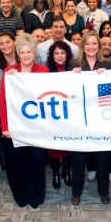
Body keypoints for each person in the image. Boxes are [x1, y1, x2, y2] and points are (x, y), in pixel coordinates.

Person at [0, 34, 49, 208]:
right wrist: (5, 127)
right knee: (17, 163)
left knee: (36, 162)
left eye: (29, 52)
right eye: (22, 52)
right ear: (18, 54)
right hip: (15, 127)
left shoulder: (43, 71)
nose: (26, 55)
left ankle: (36, 195)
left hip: (36, 127)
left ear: (34, 53)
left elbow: (47, 96)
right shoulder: (9, 72)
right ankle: (20, 195)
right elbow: (3, 101)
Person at [69, 31, 111, 206]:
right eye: (87, 44)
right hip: (80, 119)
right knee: (78, 158)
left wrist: (105, 77)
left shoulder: (107, 65)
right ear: (83, 46)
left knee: (102, 158)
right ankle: (76, 192)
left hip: (100, 119)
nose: (91, 47)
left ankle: (104, 192)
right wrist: (73, 75)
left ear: (99, 46)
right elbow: (69, 92)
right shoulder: (74, 64)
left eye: (94, 44)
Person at [44, 41, 75, 189]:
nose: (60, 56)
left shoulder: (74, 67)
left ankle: (67, 171)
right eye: (56, 53)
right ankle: (56, 173)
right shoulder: (45, 70)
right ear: (52, 54)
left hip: (70, 113)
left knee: (68, 144)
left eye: (62, 52)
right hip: (53, 113)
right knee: (54, 145)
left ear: (67, 53)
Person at [0, 32, 17, 170]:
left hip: (23, 107)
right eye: (1, 43)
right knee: (8, 139)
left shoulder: (23, 58)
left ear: (14, 42)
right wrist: (2, 114)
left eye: (8, 42)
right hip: (5, 108)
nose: (5, 45)